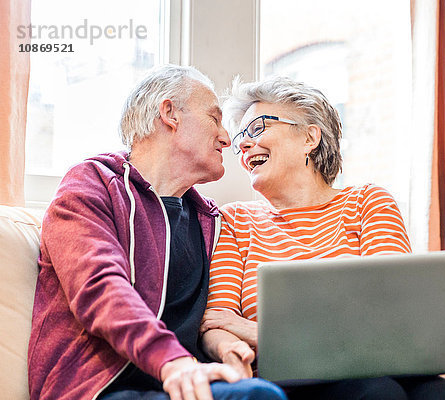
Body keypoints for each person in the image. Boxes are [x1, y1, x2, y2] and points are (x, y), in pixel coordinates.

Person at [200, 77, 445, 400]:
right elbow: (215, 321)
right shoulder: (235, 220)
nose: (243, 144)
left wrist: (260, 333)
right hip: (292, 381)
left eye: (257, 128)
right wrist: (233, 350)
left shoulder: (367, 202)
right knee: (376, 393)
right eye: (241, 137)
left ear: (309, 137)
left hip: (377, 365)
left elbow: (393, 319)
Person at [27, 65, 287, 400]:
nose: (227, 137)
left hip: (182, 379)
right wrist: (172, 361)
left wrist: (229, 349)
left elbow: (211, 317)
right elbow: (100, 288)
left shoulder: (209, 219)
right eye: (214, 118)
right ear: (169, 114)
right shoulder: (91, 185)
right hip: (101, 388)